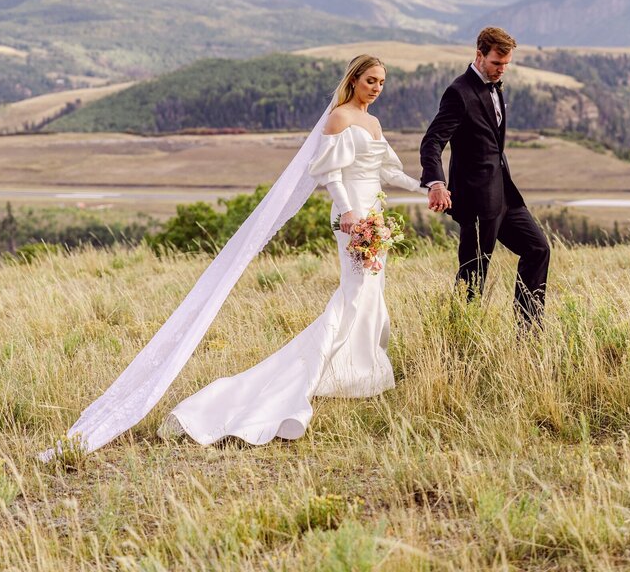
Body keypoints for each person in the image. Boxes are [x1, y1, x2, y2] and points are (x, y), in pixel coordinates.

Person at [41, 55, 426, 458]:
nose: (377, 87)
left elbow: (387, 171)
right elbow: (327, 171)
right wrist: (348, 211)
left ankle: (357, 374)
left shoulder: (375, 124)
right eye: (370, 80)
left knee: (369, 294)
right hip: (351, 219)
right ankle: (309, 379)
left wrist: (425, 187)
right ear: (354, 80)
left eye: (382, 82)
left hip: (375, 214)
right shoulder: (339, 119)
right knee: (354, 293)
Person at [419, 26, 550, 327]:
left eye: (506, 65)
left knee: (538, 249)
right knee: (473, 274)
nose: (501, 71)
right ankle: (458, 339)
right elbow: (432, 141)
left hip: (505, 195)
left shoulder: (496, 86)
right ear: (479, 55)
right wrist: (436, 183)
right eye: (496, 64)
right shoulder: (458, 92)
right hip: (477, 200)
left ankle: (528, 330)